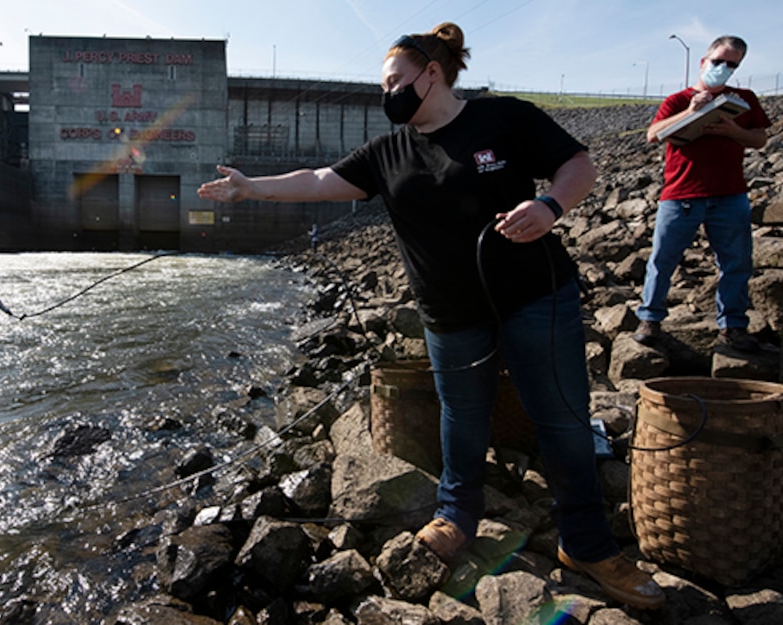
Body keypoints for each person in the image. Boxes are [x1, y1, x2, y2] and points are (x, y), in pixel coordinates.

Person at [199, 23, 665, 610]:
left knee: (563, 420)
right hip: (450, 315)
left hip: (536, 297)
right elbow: (319, 180)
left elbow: (579, 164)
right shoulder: (387, 153)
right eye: (384, 85)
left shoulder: (503, 118)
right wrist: (252, 189)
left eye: (395, 80)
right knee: (462, 418)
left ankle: (589, 545)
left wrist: (550, 207)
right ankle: (457, 516)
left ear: (432, 73)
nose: (388, 93)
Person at [634, 35, 771, 351]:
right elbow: (653, 135)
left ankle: (732, 326)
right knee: (663, 259)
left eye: (732, 65)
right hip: (681, 194)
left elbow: (759, 139)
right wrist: (691, 113)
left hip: (730, 195)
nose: (724, 69)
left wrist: (732, 131)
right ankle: (650, 320)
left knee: (736, 262)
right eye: (719, 61)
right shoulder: (678, 100)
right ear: (703, 61)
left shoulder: (745, 99)